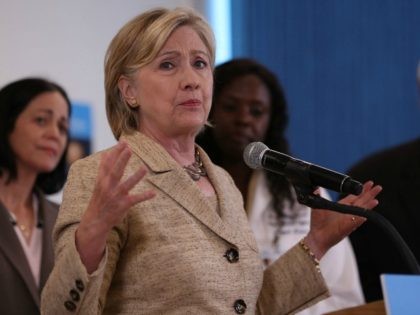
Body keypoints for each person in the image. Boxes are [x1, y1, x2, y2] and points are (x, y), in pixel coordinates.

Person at [41, 7, 382, 315]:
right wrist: (90, 239)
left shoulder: (223, 182)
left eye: (200, 63)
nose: (191, 80)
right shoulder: (103, 175)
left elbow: (249, 308)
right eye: (168, 64)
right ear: (129, 91)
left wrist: (317, 243)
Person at [196, 58, 365, 314]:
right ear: (209, 110)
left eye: (256, 111)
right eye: (230, 107)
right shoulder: (185, 182)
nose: (243, 119)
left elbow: (343, 294)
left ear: (271, 121)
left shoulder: (302, 189)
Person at [0, 77, 71, 315]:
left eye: (62, 127)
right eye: (41, 120)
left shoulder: (64, 217)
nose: (54, 134)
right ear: (6, 122)